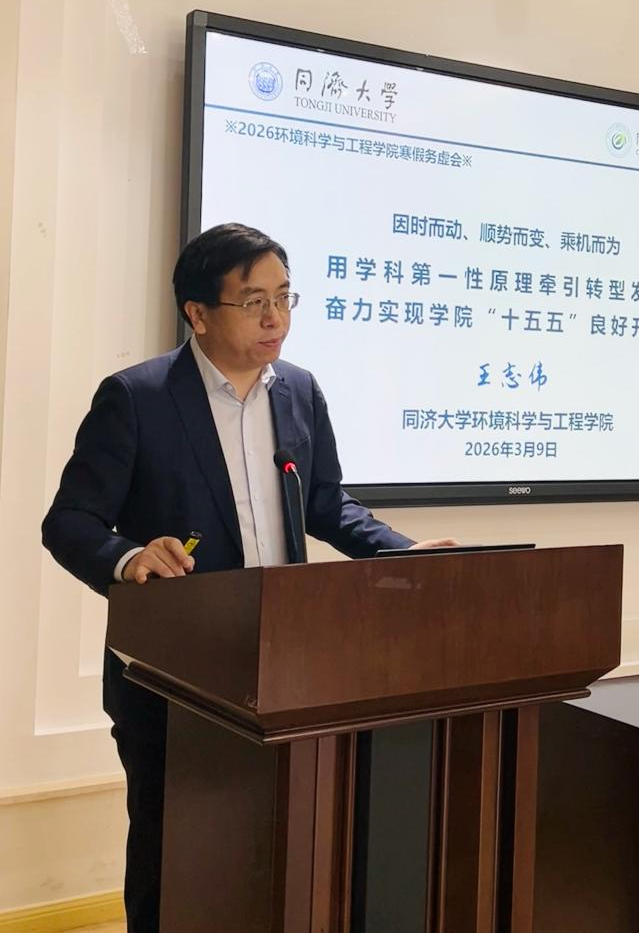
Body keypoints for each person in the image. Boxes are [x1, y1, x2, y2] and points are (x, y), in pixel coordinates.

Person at [42, 222, 454, 933]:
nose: (275, 318)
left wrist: (403, 553)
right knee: (173, 853)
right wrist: (129, 557)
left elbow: (326, 503)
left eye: (285, 298)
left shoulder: (298, 391)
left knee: (279, 848)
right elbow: (70, 521)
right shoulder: (137, 397)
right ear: (198, 313)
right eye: (254, 301)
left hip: (287, 666)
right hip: (175, 673)